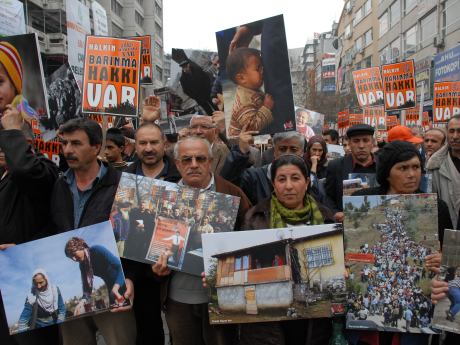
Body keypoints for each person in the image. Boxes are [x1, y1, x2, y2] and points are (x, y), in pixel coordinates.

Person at [152, 136, 251, 345]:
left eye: (200, 158)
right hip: (177, 299)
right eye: (187, 160)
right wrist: (156, 270)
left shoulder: (232, 194)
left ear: (210, 161)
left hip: (221, 298)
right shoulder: (161, 197)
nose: (194, 165)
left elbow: (249, 238)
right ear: (177, 164)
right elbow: (147, 246)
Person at [352, 140, 452, 345]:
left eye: (416, 167)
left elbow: (451, 259)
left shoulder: (435, 207)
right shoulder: (362, 200)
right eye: (403, 168)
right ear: (387, 173)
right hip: (369, 319)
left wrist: (443, 261)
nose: (412, 174)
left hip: (418, 311)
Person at [50, 118, 136, 345]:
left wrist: (129, 279)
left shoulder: (121, 185)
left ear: (96, 146)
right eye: (65, 143)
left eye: (76, 143)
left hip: (116, 296)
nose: (68, 150)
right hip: (75, 300)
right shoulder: (59, 186)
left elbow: (133, 239)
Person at [241, 154, 333, 345]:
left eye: (296, 178)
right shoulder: (254, 218)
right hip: (269, 322)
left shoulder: (326, 220)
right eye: (281, 179)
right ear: (273, 184)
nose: (289, 186)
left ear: (307, 182)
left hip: (313, 321)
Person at [0, 102, 59, 345]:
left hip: (30, 279)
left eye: (9, 141)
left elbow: (24, 170)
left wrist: (13, 132)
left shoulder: (44, 171)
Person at [124, 122, 181, 345]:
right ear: (135, 146)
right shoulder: (122, 178)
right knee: (148, 330)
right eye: (143, 143)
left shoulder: (180, 176)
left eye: (154, 142)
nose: (149, 148)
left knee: (181, 329)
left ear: (164, 144)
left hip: (175, 265)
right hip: (139, 269)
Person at [221, 130, 305, 205]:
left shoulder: (312, 180)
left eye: (293, 150)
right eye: (282, 149)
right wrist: (240, 152)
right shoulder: (254, 177)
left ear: (302, 153)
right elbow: (227, 186)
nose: (287, 154)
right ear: (274, 152)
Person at [325, 124, 377, 222]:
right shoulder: (335, 166)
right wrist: (335, 213)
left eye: (366, 140)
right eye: (356, 141)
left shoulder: (383, 165)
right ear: (349, 143)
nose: (361, 146)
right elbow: (328, 197)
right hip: (347, 226)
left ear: (372, 143)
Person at [64, 237, 128, 307]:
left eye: (74, 254)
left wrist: (116, 288)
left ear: (80, 247)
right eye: (71, 257)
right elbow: (86, 288)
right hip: (111, 288)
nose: (74, 259)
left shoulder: (97, 250)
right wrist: (81, 302)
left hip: (123, 281)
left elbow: (120, 267)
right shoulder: (82, 266)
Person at [226, 47, 273, 136]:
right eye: (258, 68)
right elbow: (251, 128)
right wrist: (266, 108)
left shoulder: (249, 89)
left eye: (262, 66)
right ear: (242, 78)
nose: (263, 70)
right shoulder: (243, 103)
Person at [426, 115, 460, 229]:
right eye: (451, 131)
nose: (455, 136)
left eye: (459, 131)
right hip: (449, 231)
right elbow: (431, 206)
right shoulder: (434, 165)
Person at [0, 41, 36, 121]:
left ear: (15, 84)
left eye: (0, 82)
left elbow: (38, 133)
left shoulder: (26, 111)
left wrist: (15, 128)